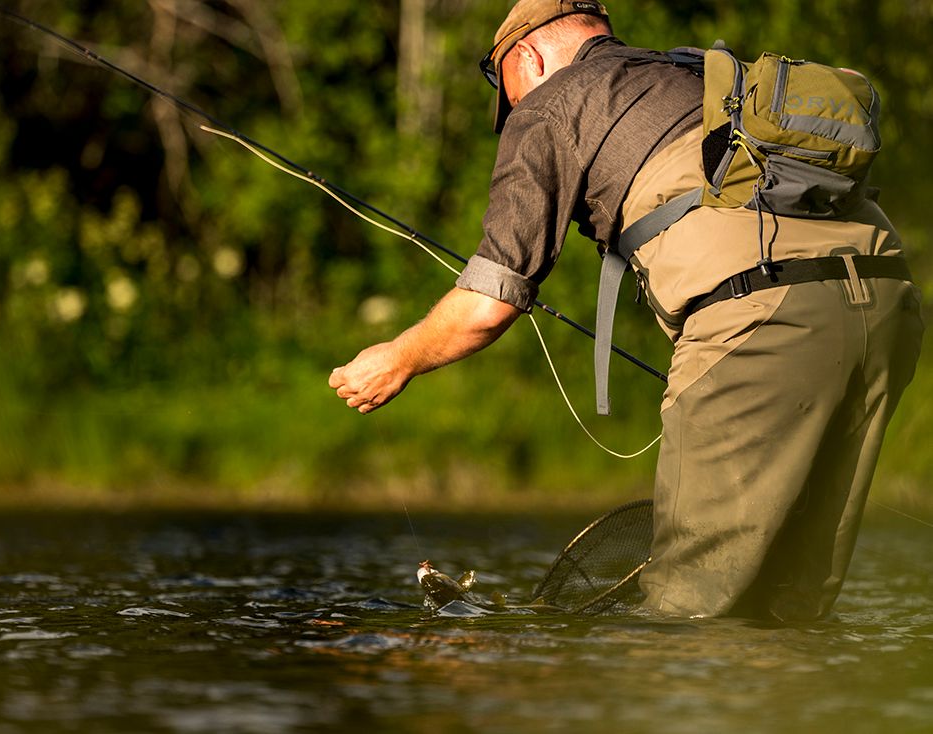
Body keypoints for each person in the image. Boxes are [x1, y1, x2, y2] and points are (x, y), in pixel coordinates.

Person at [327, 0, 923, 621]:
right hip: (888, 303)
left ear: (526, 57)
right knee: (791, 605)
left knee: (688, 613)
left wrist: (396, 358)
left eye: (510, 96)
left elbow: (488, 303)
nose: (513, 114)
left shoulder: (551, 105)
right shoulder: (689, 74)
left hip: (762, 314)